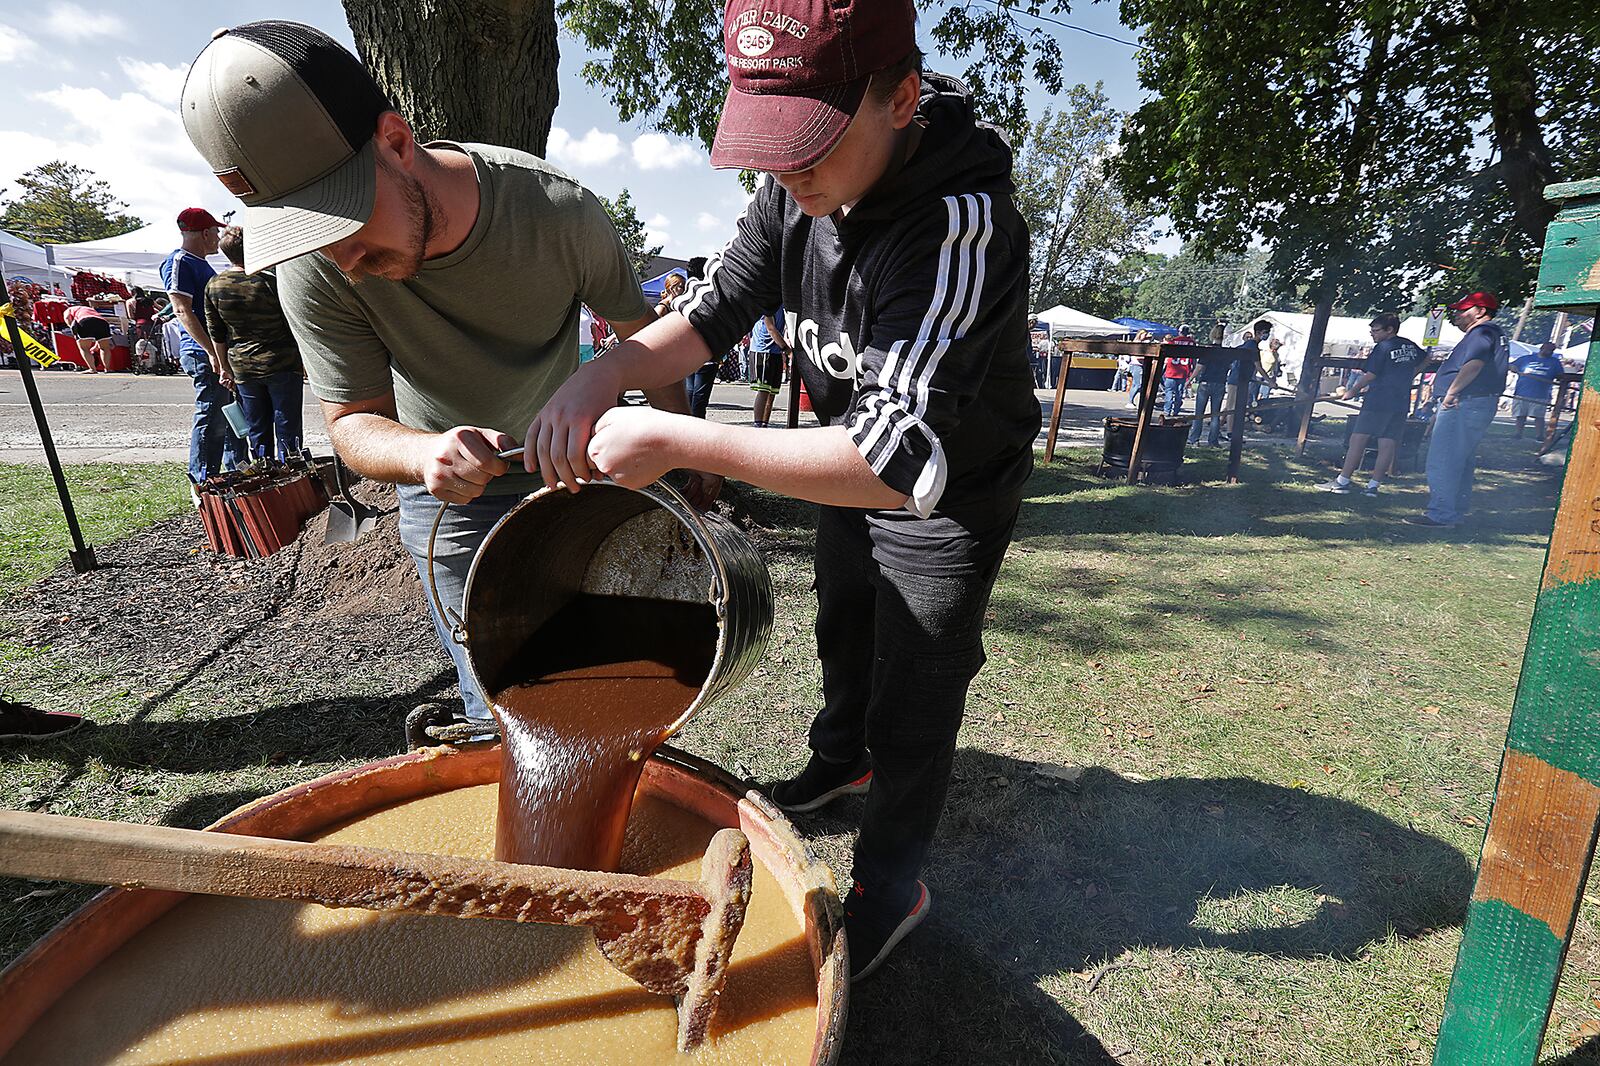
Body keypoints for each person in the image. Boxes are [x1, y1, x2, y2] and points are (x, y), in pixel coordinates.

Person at [528, 0, 1039, 981]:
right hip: (844, 453)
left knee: (917, 689)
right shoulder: (786, 193)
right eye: (768, 146)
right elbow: (717, 309)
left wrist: (680, 435)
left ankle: (891, 885)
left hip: (945, 490)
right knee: (843, 618)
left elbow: (895, 459)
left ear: (898, 98)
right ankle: (837, 756)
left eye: (808, 145)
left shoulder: (960, 223)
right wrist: (604, 371)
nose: (785, 173)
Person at [179, 20, 703, 733]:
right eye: (309, 237)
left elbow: (649, 343)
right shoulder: (317, 265)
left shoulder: (556, 211)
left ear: (396, 143)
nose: (345, 262)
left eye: (346, 222)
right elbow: (352, 424)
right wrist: (424, 453)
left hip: (584, 480)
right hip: (454, 506)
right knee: (504, 716)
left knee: (615, 693)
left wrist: (687, 463)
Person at [1405, 292, 1509, 527]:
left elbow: (1474, 364)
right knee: (1461, 459)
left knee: (1444, 458)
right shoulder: (1495, 333)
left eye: (1463, 311)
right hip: (1475, 402)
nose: (1457, 316)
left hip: (1464, 402)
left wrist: (1451, 393)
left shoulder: (1482, 332)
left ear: (1480, 311)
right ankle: (1454, 511)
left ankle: (1441, 514)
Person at [204, 226, 306, 460]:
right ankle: (292, 477)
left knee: (256, 429)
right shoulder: (270, 281)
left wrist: (223, 368)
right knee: (287, 427)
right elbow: (293, 321)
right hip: (282, 363)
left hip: (243, 367)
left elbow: (216, 334)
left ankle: (264, 474)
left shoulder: (214, 286)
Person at [162, 206, 243, 482]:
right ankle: (204, 479)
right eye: (216, 231)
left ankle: (237, 470)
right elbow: (182, 310)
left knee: (231, 413)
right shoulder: (180, 262)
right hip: (202, 352)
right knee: (211, 412)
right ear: (206, 233)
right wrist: (212, 352)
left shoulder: (201, 263)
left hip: (219, 351)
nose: (218, 237)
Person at [1314, 314, 1426, 496]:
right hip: (1400, 401)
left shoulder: (1383, 347)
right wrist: (1409, 375)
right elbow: (1426, 358)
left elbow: (1371, 374)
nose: (1372, 334)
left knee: (1357, 439)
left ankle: (1342, 482)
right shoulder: (1409, 345)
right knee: (1387, 442)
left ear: (1389, 330)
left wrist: (1352, 391)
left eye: (1376, 331)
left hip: (1379, 400)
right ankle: (1373, 487)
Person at [674, 261, 720, 419]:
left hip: (688, 356)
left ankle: (686, 430)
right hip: (706, 355)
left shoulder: (683, 299)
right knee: (699, 400)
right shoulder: (710, 296)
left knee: (690, 395)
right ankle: (695, 433)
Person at [1509, 341, 1564, 439]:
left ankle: (1539, 435)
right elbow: (1511, 365)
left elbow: (1560, 375)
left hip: (1541, 393)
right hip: (1522, 391)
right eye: (1547, 349)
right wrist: (1514, 368)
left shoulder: (1554, 362)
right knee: (1520, 415)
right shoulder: (1527, 358)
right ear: (1542, 348)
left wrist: (1560, 378)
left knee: (1538, 416)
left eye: (1551, 350)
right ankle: (1518, 433)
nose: (1549, 352)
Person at [748, 306, 789, 427]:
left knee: (772, 392)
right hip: (762, 351)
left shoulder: (783, 306)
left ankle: (764, 423)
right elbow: (771, 328)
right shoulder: (767, 303)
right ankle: (758, 423)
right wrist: (787, 350)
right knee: (764, 390)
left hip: (776, 352)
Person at [63, 304, 114, 372]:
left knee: (84, 348)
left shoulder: (69, 309)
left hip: (84, 321)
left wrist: (72, 328)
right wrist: (96, 345)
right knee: (104, 348)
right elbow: (95, 322)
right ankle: (107, 368)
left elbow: (67, 317)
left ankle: (92, 369)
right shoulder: (89, 309)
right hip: (102, 322)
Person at [1161, 350, 1193, 416]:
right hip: (1182, 374)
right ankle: (1176, 411)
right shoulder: (1191, 343)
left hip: (1171, 373)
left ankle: (1167, 411)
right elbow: (1192, 363)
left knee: (1169, 392)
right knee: (1179, 393)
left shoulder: (1172, 342)